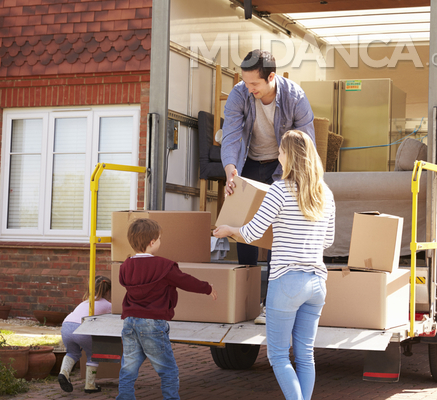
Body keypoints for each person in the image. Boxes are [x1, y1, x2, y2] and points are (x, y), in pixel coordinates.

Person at [214, 130, 335, 400]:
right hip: (317, 283)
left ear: (289, 156)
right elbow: (328, 240)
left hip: (286, 281)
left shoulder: (279, 190)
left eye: (280, 151)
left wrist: (228, 229)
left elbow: (253, 232)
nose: (278, 155)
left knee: (279, 356)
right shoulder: (325, 193)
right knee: (305, 355)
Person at [220, 49, 316, 324]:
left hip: (282, 166)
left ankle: (273, 304)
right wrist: (230, 169)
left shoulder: (294, 97)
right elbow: (231, 134)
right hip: (248, 163)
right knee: (244, 225)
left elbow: (305, 143)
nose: (248, 89)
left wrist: (294, 180)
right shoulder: (240, 93)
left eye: (254, 84)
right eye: (245, 82)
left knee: (278, 230)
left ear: (271, 77)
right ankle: (247, 301)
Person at [116, 218, 218, 400]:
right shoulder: (164, 266)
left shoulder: (125, 266)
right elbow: (185, 281)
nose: (160, 242)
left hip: (130, 322)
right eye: (160, 239)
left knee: (128, 368)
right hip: (153, 324)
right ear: (152, 242)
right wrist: (207, 288)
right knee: (168, 370)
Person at [58, 275, 112, 394]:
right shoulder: (108, 305)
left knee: (72, 352)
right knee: (93, 354)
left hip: (66, 326)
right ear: (108, 291)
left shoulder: (85, 302)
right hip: (82, 328)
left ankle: (64, 373)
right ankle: (90, 385)